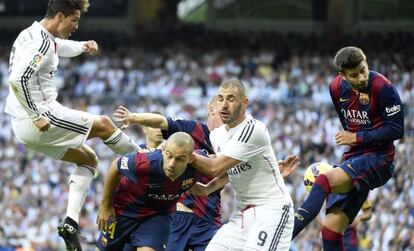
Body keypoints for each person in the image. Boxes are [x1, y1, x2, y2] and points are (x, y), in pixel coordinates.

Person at [3, 1, 139, 250]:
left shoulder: (32, 34)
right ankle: (148, 163)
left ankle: (70, 223)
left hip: (20, 125)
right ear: (59, 16)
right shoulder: (41, 42)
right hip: (39, 117)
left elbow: (58, 47)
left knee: (88, 159)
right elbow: (17, 78)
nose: (76, 26)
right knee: (106, 126)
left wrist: (82, 47)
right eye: (74, 20)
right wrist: (36, 114)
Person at [292, 46, 404, 250]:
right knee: (330, 230)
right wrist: (354, 138)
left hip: (380, 159)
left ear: (366, 62)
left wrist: (357, 136)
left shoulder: (384, 88)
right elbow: (348, 122)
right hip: (355, 156)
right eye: (354, 74)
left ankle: (285, 234)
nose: (362, 77)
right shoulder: (335, 88)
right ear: (342, 75)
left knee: (324, 180)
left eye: (363, 69)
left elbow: (396, 129)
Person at [189, 79, 299, 251]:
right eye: (220, 98)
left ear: (245, 103)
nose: (224, 105)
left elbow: (215, 167)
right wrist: (206, 189)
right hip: (241, 214)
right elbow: (228, 171)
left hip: (271, 210)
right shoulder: (216, 135)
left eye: (231, 99)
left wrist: (183, 155)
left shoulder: (254, 130)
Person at [113, 98, 223, 251]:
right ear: (211, 110)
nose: (226, 118)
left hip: (208, 219)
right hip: (178, 215)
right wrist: (134, 118)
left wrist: (210, 187)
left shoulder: (232, 142)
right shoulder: (192, 129)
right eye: (223, 112)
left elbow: (234, 170)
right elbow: (163, 121)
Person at [95, 132, 219, 251]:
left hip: (158, 214)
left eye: (180, 159)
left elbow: (229, 167)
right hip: (125, 209)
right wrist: (105, 205)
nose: (172, 164)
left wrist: (209, 188)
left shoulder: (199, 167)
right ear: (163, 149)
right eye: (169, 155)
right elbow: (116, 165)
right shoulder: (145, 162)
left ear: (191, 158)